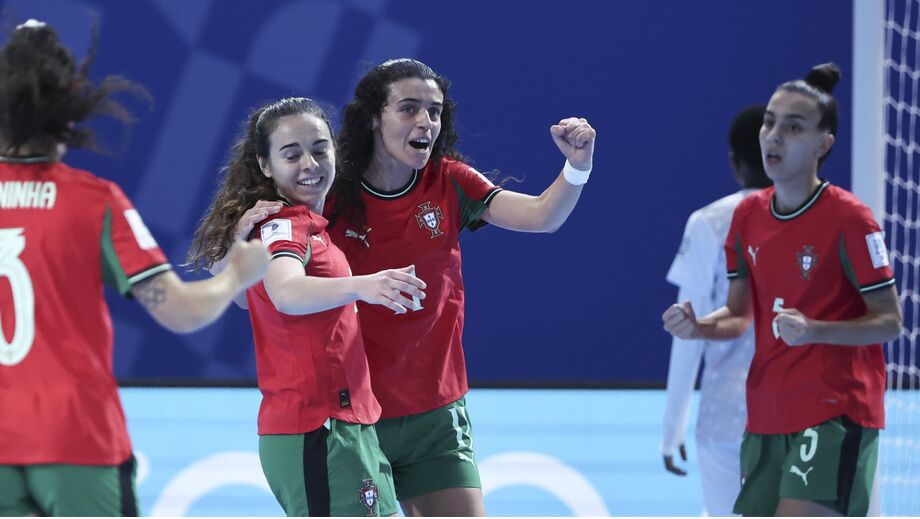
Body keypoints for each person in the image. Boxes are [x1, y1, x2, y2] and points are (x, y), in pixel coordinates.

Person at [232, 58, 596, 516]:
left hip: (435, 412)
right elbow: (268, 291)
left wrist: (576, 168)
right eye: (409, 108)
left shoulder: (449, 181)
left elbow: (542, 216)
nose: (426, 121)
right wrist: (233, 256)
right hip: (358, 415)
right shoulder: (328, 193)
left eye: (435, 110)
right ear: (372, 118)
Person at [0, 20, 269, 516]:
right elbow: (181, 312)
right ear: (72, 102)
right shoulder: (93, 202)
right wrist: (238, 272)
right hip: (76, 440)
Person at [662, 63, 902, 517]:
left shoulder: (851, 219)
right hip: (767, 414)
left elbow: (889, 322)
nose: (774, 136)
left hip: (835, 410)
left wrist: (815, 329)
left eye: (793, 127)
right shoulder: (746, 217)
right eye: (770, 122)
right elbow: (738, 316)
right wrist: (699, 327)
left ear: (823, 143)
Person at [188, 97, 428, 516]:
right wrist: (365, 286)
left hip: (346, 427)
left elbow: (247, 297)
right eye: (291, 154)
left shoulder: (306, 227)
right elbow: (286, 292)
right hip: (319, 430)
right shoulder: (286, 225)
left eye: (319, 149)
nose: (310, 164)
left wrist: (232, 248)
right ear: (265, 165)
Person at [661, 104, 771, 516]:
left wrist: (672, 428)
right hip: (798, 415)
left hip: (729, 417)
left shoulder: (710, 221)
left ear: (734, 162)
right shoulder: (818, 217)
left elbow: (687, 331)